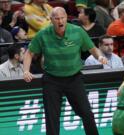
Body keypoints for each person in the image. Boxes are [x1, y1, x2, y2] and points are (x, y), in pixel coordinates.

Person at [23, 7, 107, 135]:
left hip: (74, 78)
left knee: (87, 113)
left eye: (62, 18)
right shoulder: (43, 34)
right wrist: (25, 71)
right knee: (52, 117)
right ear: (51, 20)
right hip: (52, 80)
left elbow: (93, 49)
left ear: (67, 18)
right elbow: (29, 53)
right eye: (56, 18)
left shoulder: (78, 31)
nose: (60, 21)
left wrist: (100, 56)